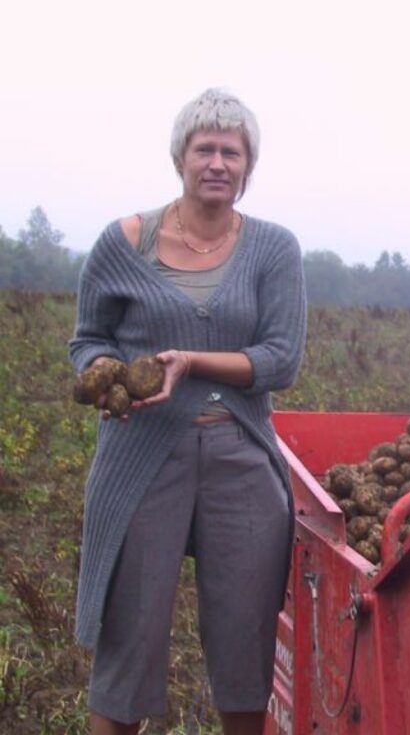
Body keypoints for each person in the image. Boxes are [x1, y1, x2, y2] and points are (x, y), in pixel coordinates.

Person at [69, 88, 307, 735]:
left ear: (248, 166)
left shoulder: (273, 249)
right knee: (128, 644)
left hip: (240, 454)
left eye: (233, 152)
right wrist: (99, 373)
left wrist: (193, 362)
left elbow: (281, 360)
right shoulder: (124, 242)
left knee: (246, 650)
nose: (218, 163)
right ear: (180, 156)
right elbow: (88, 338)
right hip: (142, 456)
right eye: (205, 148)